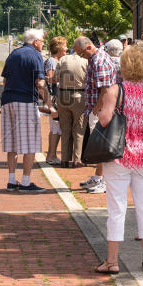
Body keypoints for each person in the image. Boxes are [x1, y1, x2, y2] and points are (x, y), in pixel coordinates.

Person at [94, 44, 143, 276]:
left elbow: (104, 120)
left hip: (119, 156)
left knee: (117, 207)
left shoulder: (116, 90)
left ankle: (112, 260)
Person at [0, 28, 50, 193]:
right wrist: (50, 104)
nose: (43, 44)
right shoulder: (35, 55)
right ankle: (26, 183)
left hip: (7, 101)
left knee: (12, 143)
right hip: (25, 101)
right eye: (42, 41)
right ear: (35, 42)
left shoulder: (13, 54)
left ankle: (11, 180)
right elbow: (40, 84)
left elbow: (5, 81)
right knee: (30, 143)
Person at [78, 35, 119, 194]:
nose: (81, 57)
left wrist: (97, 109)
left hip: (100, 109)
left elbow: (105, 89)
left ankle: (105, 181)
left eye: (81, 53)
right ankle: (98, 177)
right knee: (99, 146)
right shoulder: (96, 58)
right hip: (97, 108)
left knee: (102, 146)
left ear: (89, 47)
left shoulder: (99, 60)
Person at [53, 38, 89, 168]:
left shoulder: (63, 60)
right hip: (79, 95)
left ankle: (64, 159)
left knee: (65, 128)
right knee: (79, 129)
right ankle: (77, 159)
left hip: (63, 95)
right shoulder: (86, 61)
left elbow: (55, 78)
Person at [43, 36, 68, 165]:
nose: (66, 49)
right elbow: (50, 79)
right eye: (65, 46)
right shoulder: (52, 62)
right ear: (59, 48)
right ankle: (51, 156)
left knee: (55, 128)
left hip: (55, 98)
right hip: (54, 98)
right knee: (56, 128)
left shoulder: (54, 61)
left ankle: (50, 154)